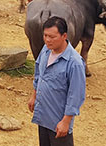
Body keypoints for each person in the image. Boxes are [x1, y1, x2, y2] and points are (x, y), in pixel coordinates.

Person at [28, 16, 86, 146]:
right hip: (43, 115)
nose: (48, 40)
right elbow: (39, 73)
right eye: (45, 35)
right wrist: (34, 95)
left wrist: (66, 121)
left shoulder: (74, 63)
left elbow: (76, 95)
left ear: (64, 36)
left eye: (52, 37)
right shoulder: (46, 50)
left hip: (58, 120)